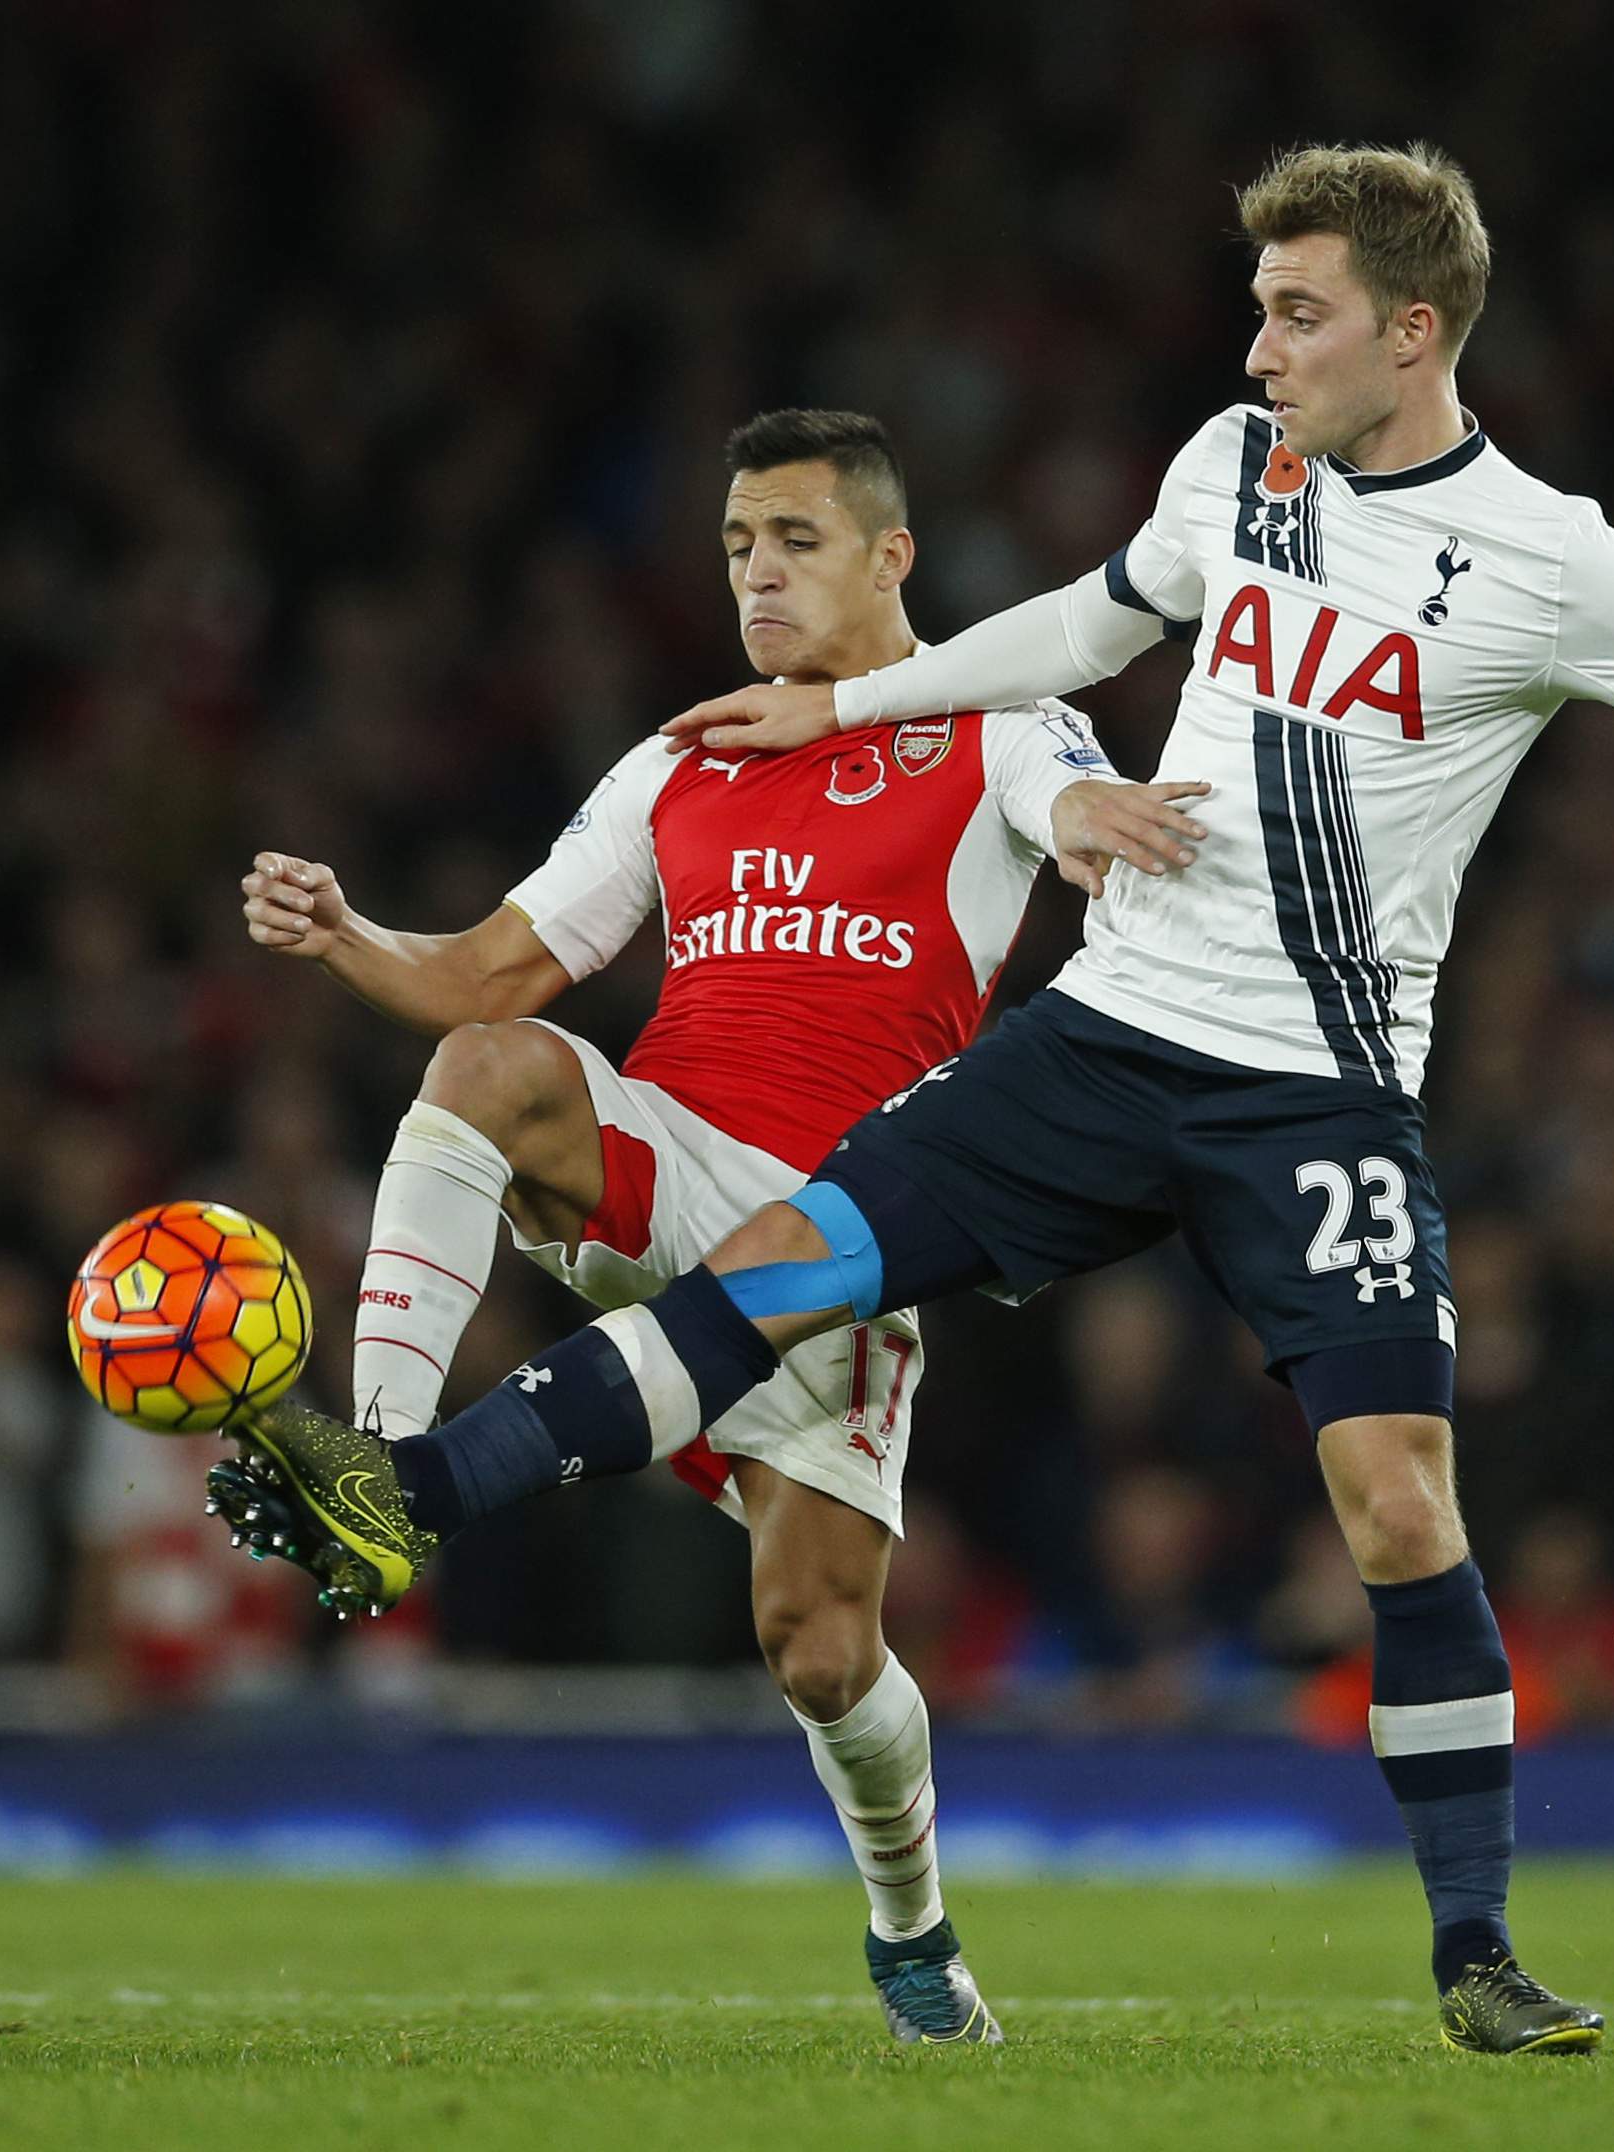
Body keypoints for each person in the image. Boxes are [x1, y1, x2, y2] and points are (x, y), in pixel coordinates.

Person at [223, 144, 1614, 2056]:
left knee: (1395, 1505)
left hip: (1313, 1098)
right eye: (1258, 304)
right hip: (1107, 1037)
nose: (1260, 339)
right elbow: (1080, 630)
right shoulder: (1232, 465)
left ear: (1411, 329)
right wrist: (851, 709)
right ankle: (406, 1492)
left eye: (1297, 311)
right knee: (779, 1273)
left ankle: (1475, 1953)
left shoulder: (1559, 560)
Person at [217, 407, 1206, 2046]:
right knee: (488, 1066)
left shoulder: (998, 721)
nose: (756, 573)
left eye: (795, 541)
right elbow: (487, 978)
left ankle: (912, 1935)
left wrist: (1094, 827)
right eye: (738, 543)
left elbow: (1069, 803)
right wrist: (344, 934)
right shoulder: (683, 755)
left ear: (891, 557)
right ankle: (381, 1468)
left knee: (819, 1649)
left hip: (848, 1230)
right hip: (662, 1157)